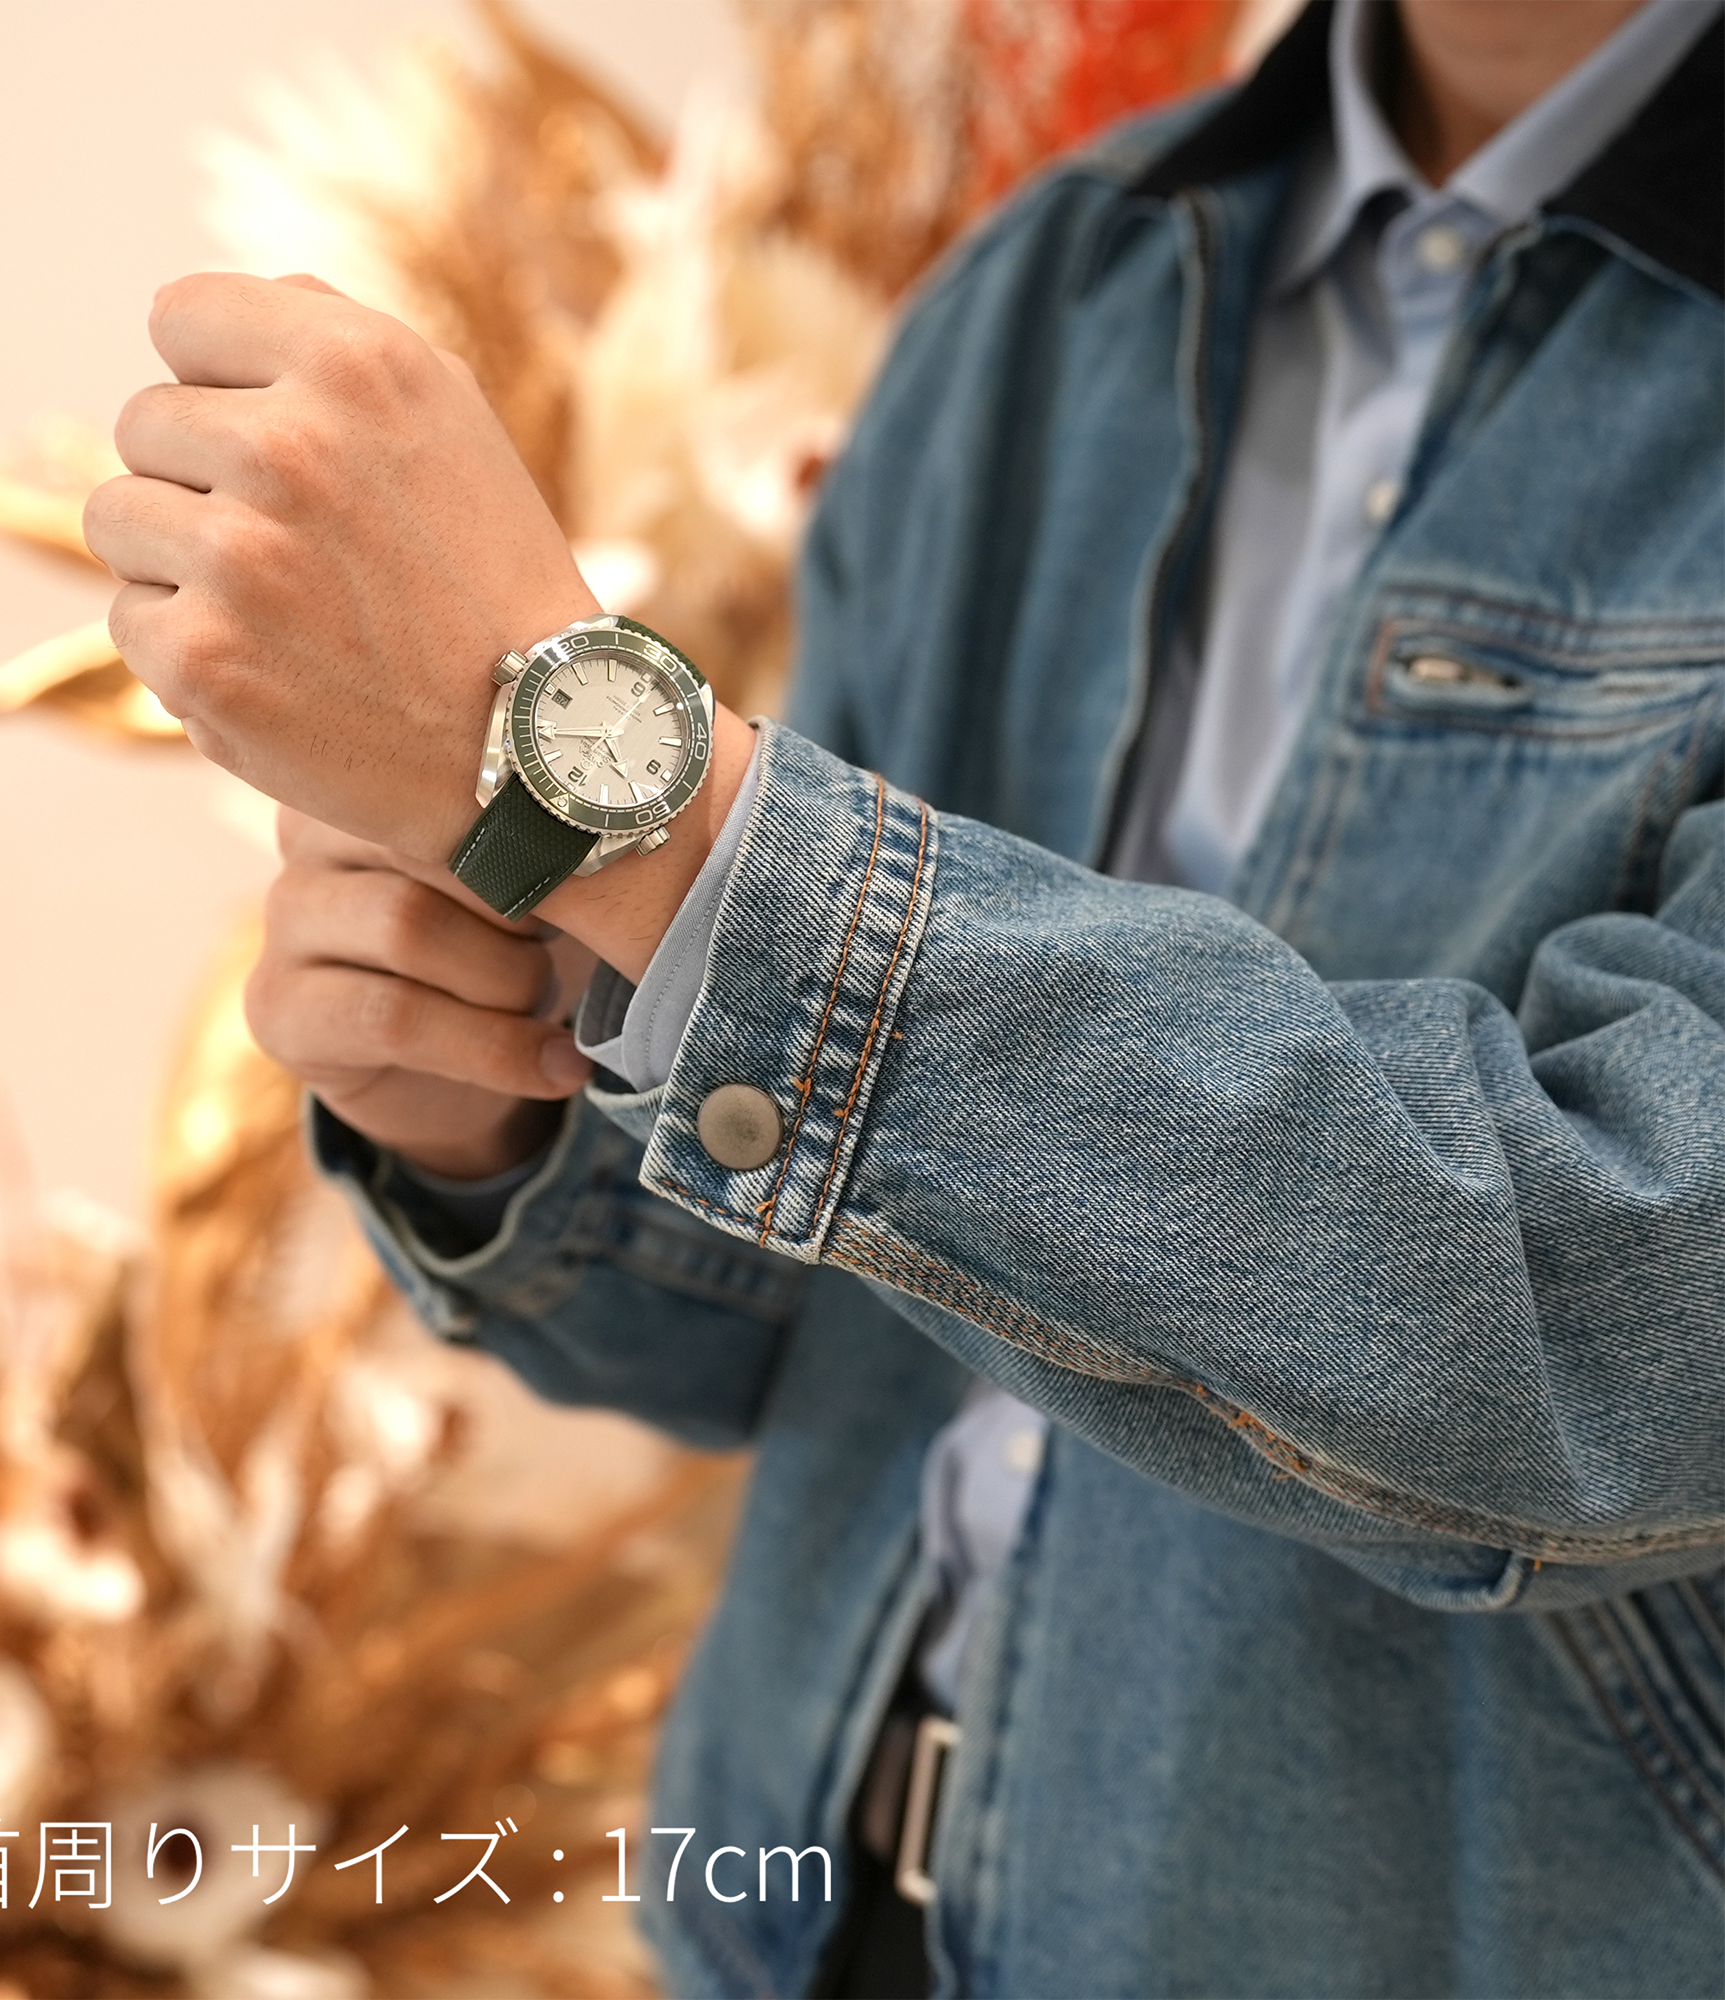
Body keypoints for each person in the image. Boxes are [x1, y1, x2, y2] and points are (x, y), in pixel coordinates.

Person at [83, 0, 1725, 1990]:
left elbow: (1632, 1334)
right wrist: (490, 1095)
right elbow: (792, 1319)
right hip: (789, 1909)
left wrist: (638, 810)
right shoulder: (1054, 288)